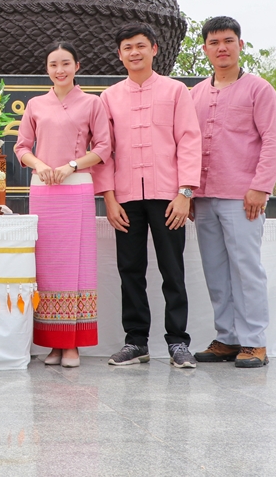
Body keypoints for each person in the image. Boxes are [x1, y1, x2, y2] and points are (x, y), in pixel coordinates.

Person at [98, 22, 202, 368]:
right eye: (127, 47)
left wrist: (185, 192)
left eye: (141, 46)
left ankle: (177, 342)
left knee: (173, 270)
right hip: (126, 197)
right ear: (120, 55)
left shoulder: (175, 92)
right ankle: (136, 341)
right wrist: (109, 198)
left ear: (154, 49)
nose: (135, 52)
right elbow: (103, 150)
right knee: (131, 270)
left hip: (169, 196)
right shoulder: (109, 97)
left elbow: (189, 140)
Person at [190, 17, 276, 368]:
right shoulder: (196, 94)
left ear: (240, 45)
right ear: (205, 50)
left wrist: (260, 187)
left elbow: (273, 140)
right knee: (215, 269)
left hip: (243, 197)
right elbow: (187, 144)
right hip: (203, 196)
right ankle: (227, 338)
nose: (222, 48)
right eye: (214, 43)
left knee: (246, 268)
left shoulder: (259, 89)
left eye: (229, 41)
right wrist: (186, 192)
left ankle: (254, 341)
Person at [14, 42, 111, 367]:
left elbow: (103, 147)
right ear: (47, 69)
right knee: (47, 268)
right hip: (42, 191)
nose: (60, 70)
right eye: (54, 64)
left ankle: (73, 345)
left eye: (66, 63)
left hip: (77, 188)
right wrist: (39, 165)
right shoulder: (36, 104)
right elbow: (21, 147)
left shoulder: (91, 103)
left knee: (77, 265)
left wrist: (71, 165)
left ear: (77, 66)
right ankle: (52, 344)